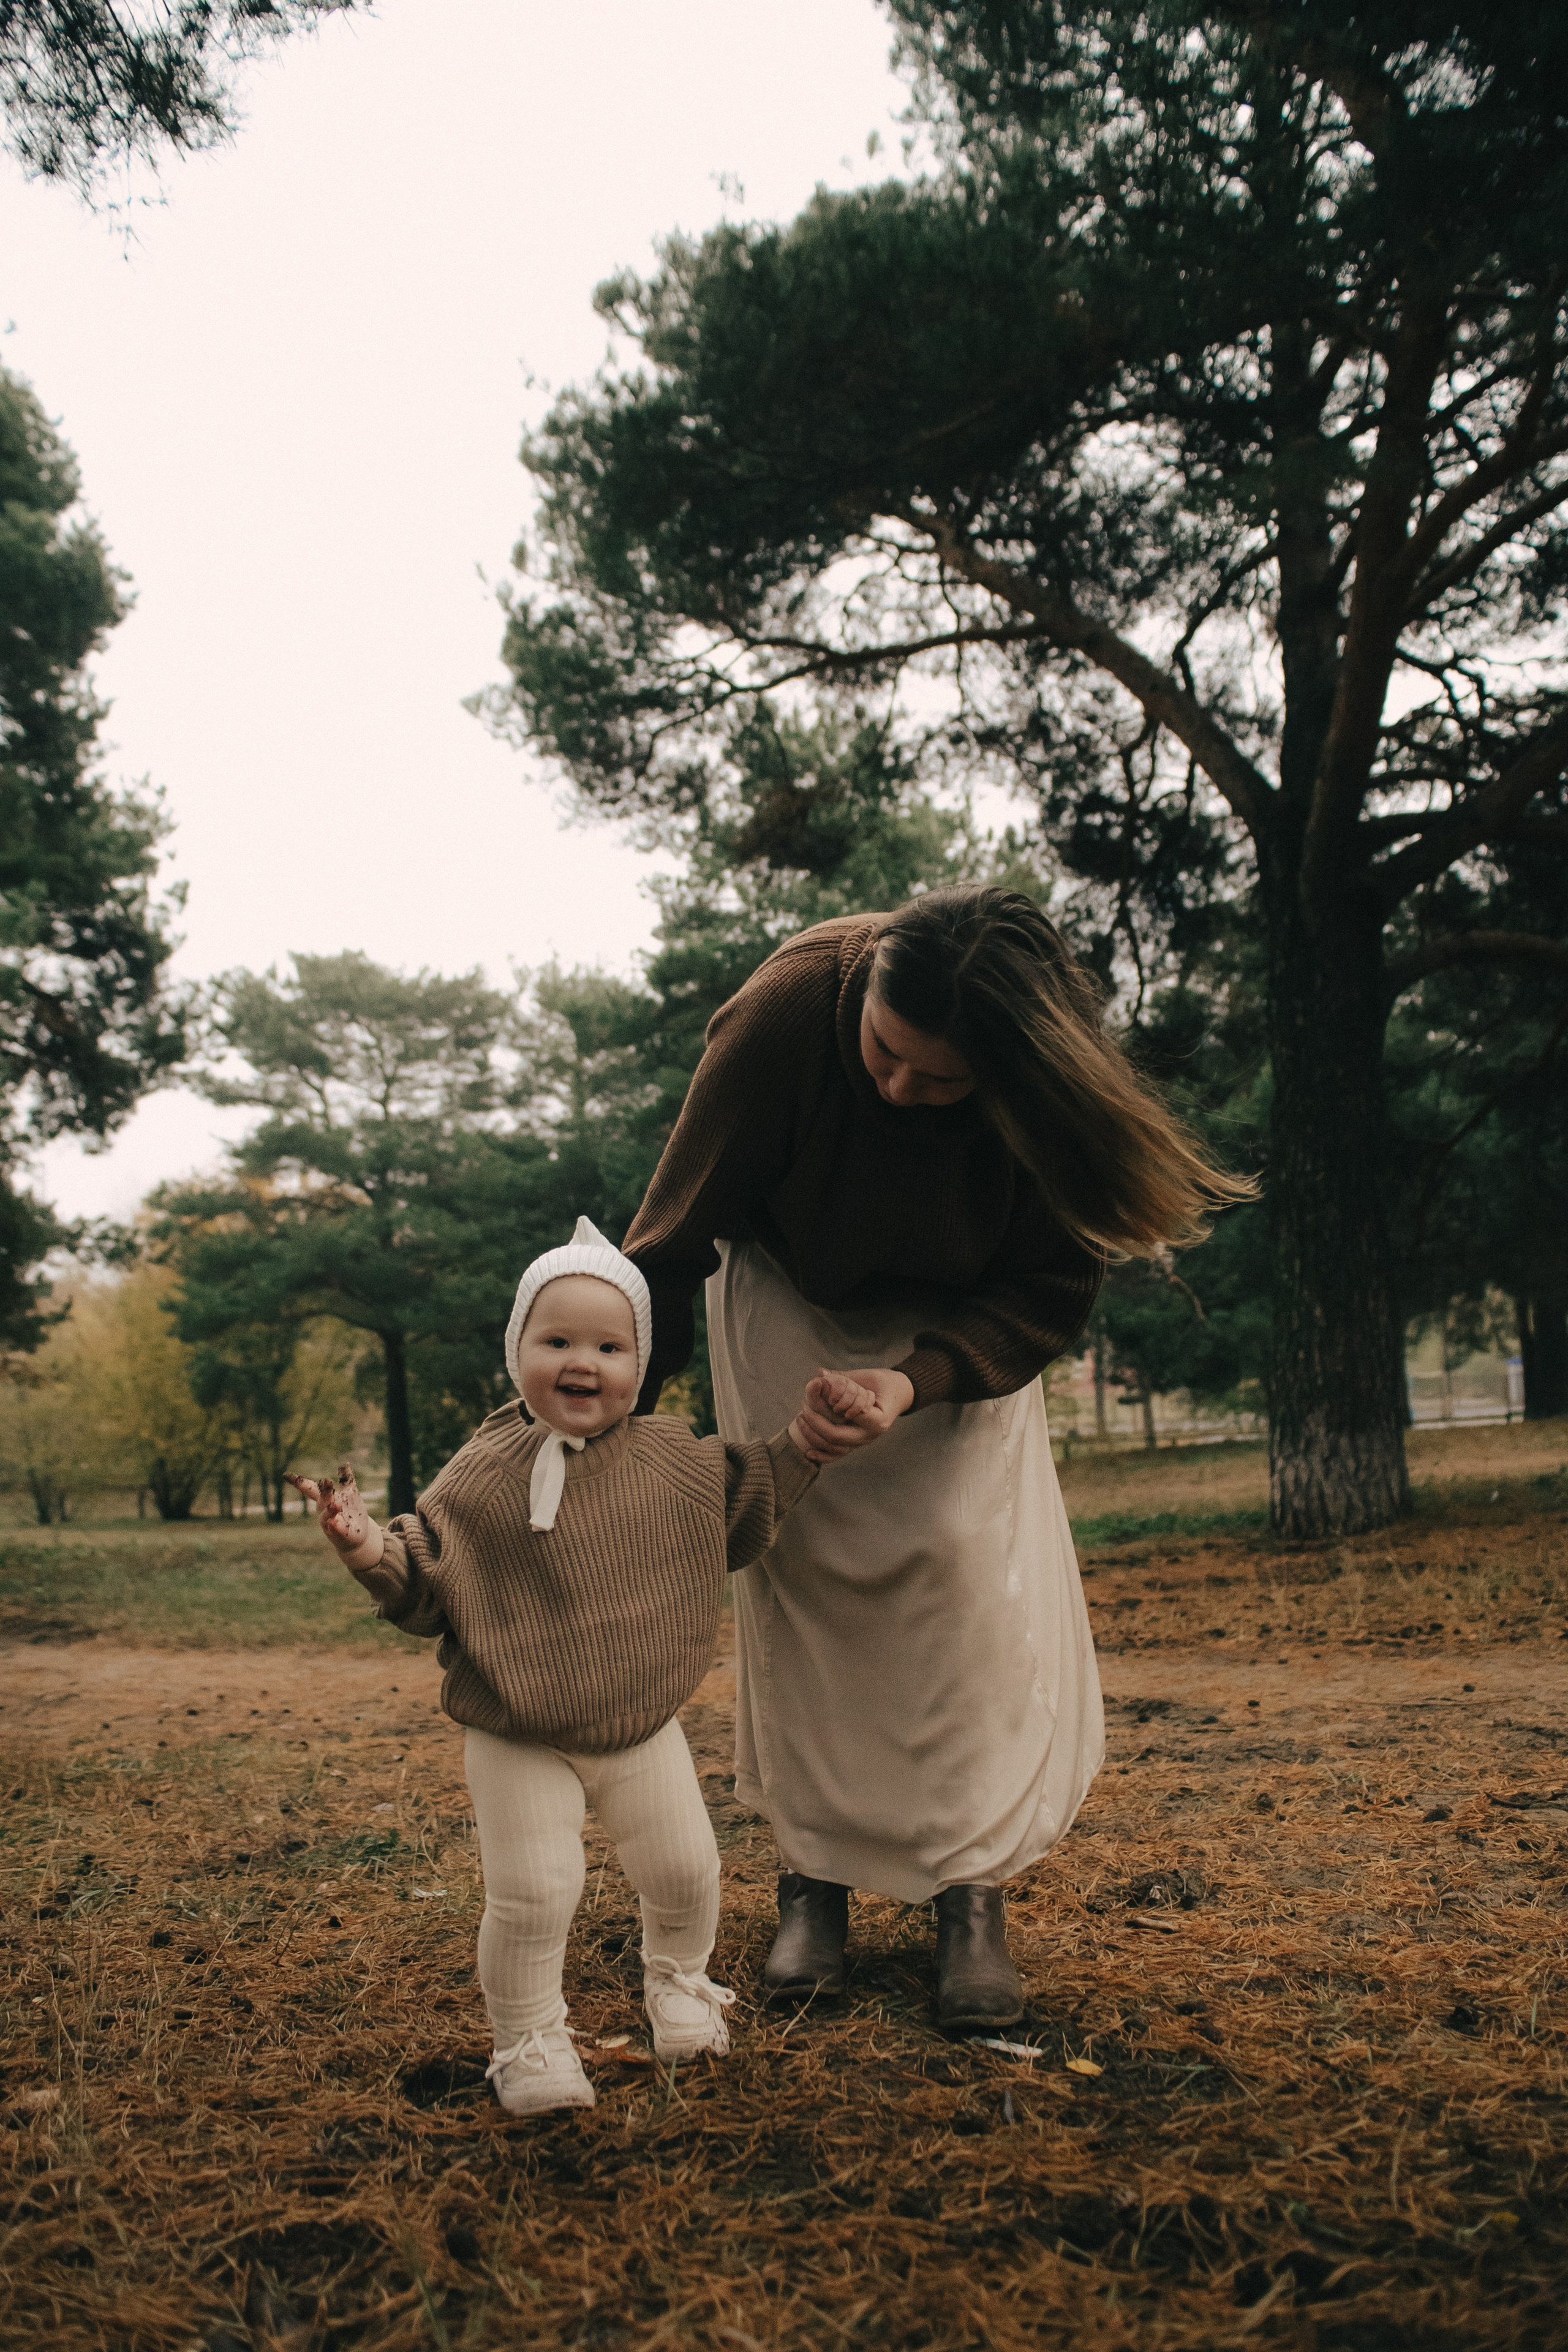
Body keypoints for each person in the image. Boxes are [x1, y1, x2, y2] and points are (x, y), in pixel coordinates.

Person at [623, 886, 1252, 2031]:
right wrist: (612, 1424)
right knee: (804, 1571)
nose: (900, 1090)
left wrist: (914, 1381)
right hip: (789, 1296)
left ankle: (969, 1891)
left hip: (958, 1335)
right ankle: (814, 1879)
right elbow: (671, 1235)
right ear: (865, 994)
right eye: (885, 1053)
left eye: (943, 1080)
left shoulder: (1044, 1087)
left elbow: (1051, 1286)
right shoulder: (786, 1011)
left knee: (959, 1576)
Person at [290, 1216, 878, 2117]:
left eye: (610, 1346)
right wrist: (365, 1543)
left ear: (639, 1365)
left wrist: (805, 1439)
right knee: (536, 1892)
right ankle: (527, 2039)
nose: (583, 1362)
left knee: (686, 1871)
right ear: (517, 1351)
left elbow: (748, 1491)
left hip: (639, 1724)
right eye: (556, 1340)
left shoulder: (671, 1461)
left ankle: (678, 1982)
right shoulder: (482, 1474)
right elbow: (427, 1581)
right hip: (518, 1730)